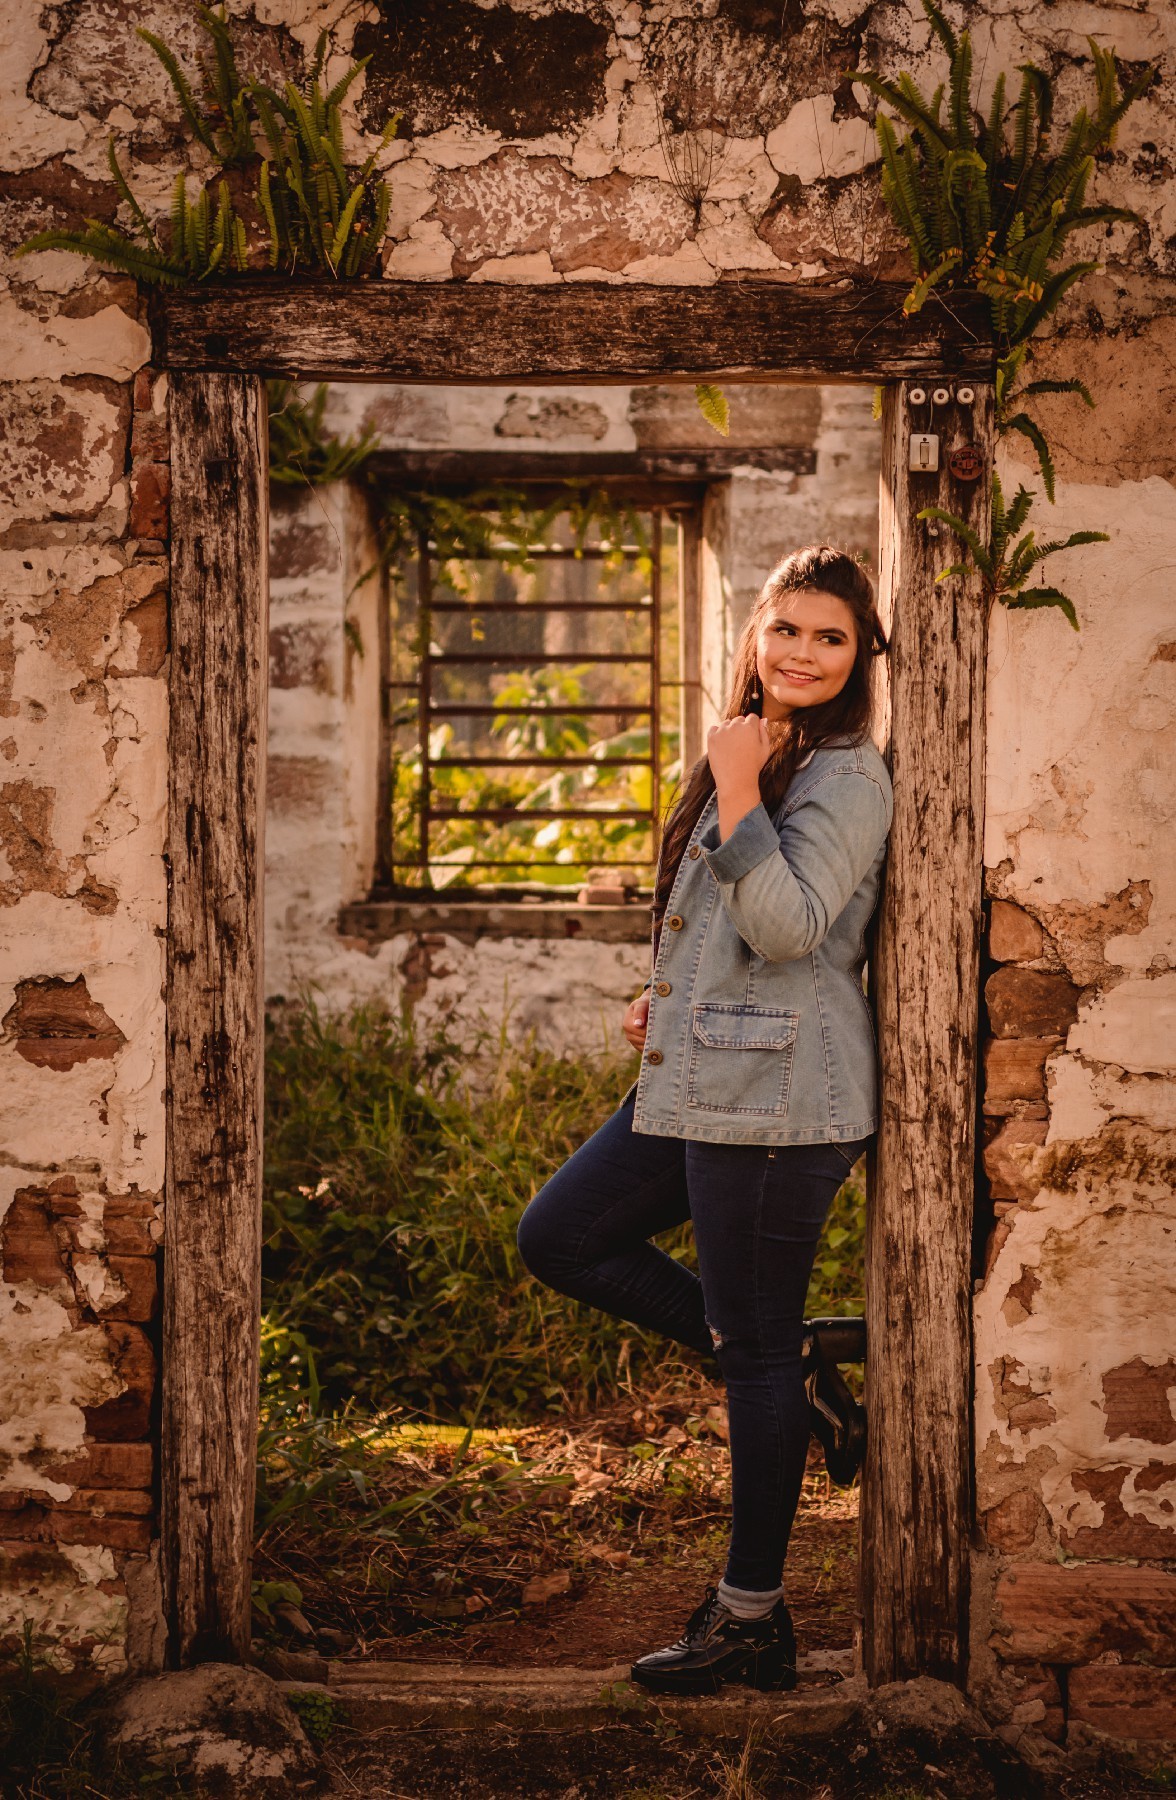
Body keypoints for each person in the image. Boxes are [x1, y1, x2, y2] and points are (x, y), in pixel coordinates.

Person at [517, 544, 892, 1697]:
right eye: (788, 631)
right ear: (755, 635)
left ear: (859, 655)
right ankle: (806, 1377)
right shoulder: (750, 750)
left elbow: (791, 929)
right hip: (703, 1077)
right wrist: (665, 994)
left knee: (751, 1351)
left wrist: (737, 787)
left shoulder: (846, 775)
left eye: (831, 638)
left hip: (780, 1107)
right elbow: (732, 937)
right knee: (560, 1236)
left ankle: (751, 1620)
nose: (804, 655)